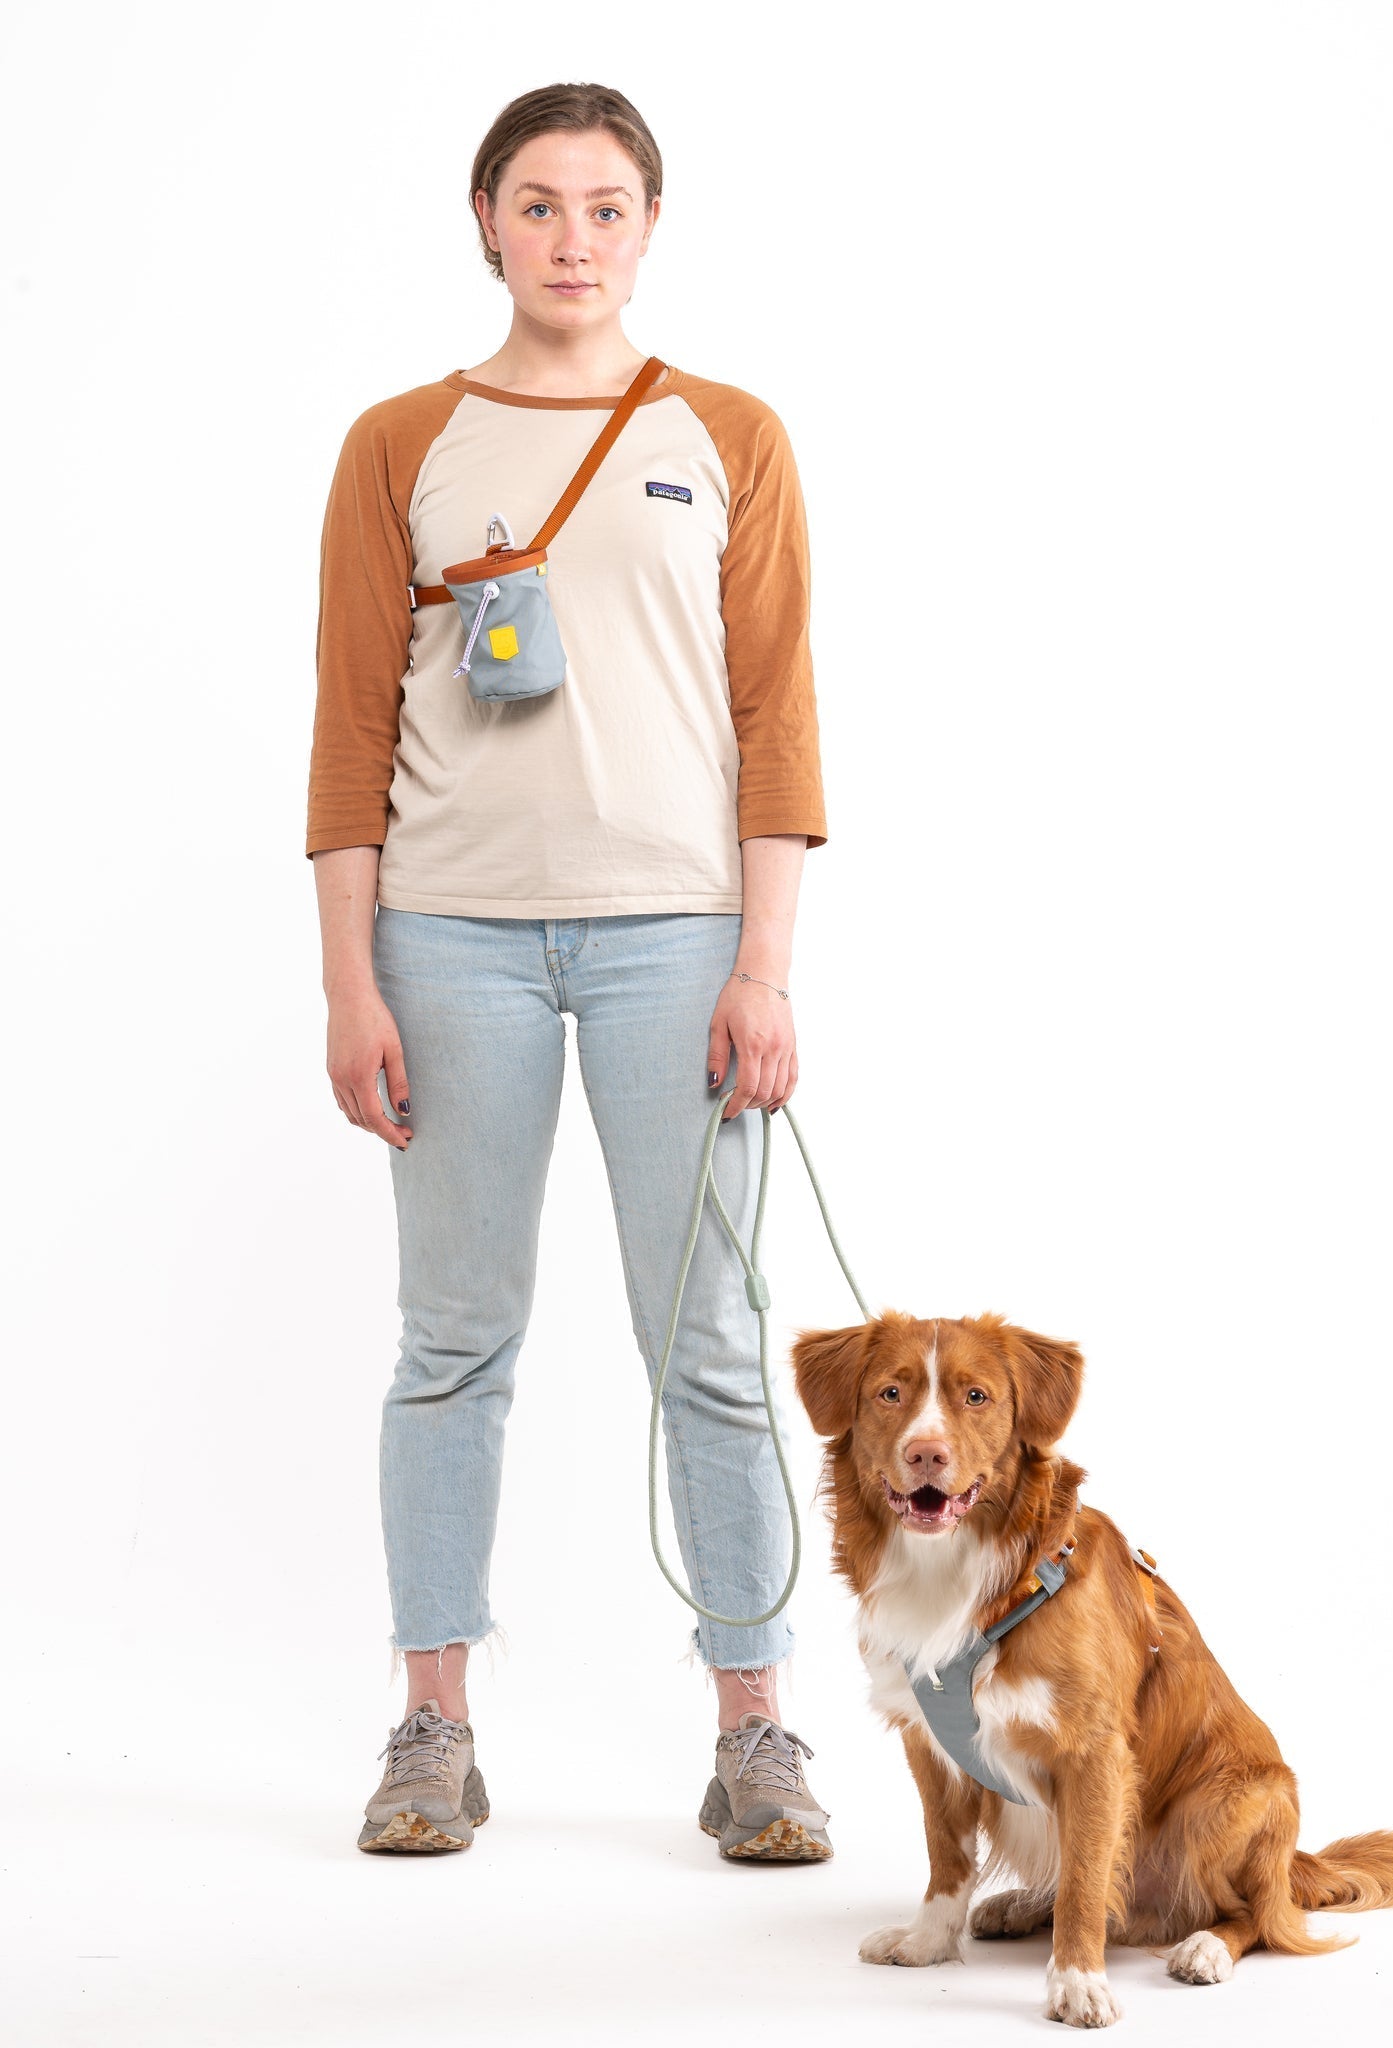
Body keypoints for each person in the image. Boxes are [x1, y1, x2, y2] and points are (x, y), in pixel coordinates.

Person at [305, 82, 833, 1862]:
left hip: (675, 938)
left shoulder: (727, 431)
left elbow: (776, 720)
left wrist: (762, 964)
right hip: (444, 936)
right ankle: (431, 1730)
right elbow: (346, 724)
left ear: (649, 229)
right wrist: (347, 980)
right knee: (451, 1344)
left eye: (606, 208)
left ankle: (757, 1731)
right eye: (538, 206)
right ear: (483, 223)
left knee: (708, 1341)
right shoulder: (400, 441)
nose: (572, 240)